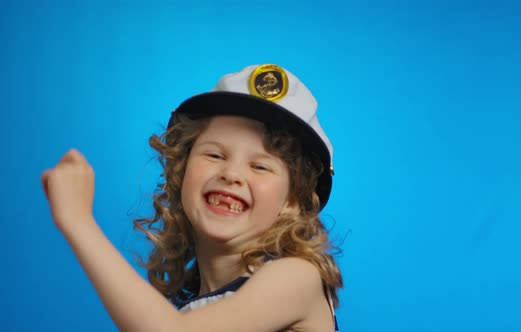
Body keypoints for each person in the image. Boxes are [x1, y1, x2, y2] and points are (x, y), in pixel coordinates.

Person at [41, 64, 343, 331]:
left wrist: (78, 221)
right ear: (181, 171)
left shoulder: (296, 278)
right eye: (215, 154)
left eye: (260, 166)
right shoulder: (194, 315)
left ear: (292, 202)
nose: (232, 173)